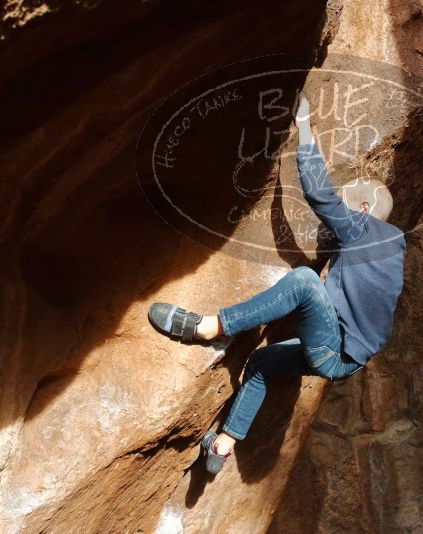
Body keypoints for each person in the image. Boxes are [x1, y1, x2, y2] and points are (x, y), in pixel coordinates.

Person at [148, 93, 406, 474]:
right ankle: (223, 445)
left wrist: (303, 124)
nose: (343, 203)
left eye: (351, 198)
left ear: (364, 210)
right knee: (260, 364)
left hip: (334, 349)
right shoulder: (391, 253)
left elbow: (321, 196)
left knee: (303, 281)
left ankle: (210, 329)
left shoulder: (368, 230)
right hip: (343, 363)